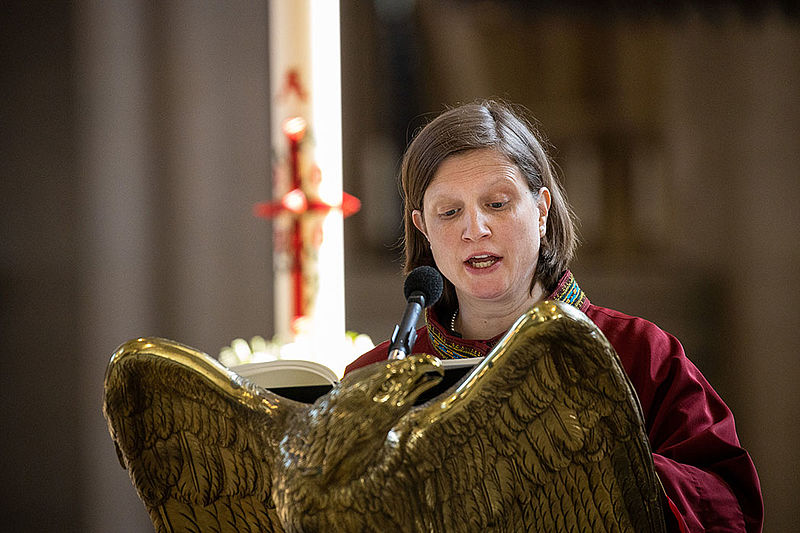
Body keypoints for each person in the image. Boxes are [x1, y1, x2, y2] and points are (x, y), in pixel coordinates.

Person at [345, 100, 763, 532]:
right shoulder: (375, 378)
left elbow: (726, 501)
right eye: (449, 212)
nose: (475, 229)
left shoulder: (639, 352)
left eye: (498, 203)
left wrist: (600, 467)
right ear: (423, 229)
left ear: (541, 210)